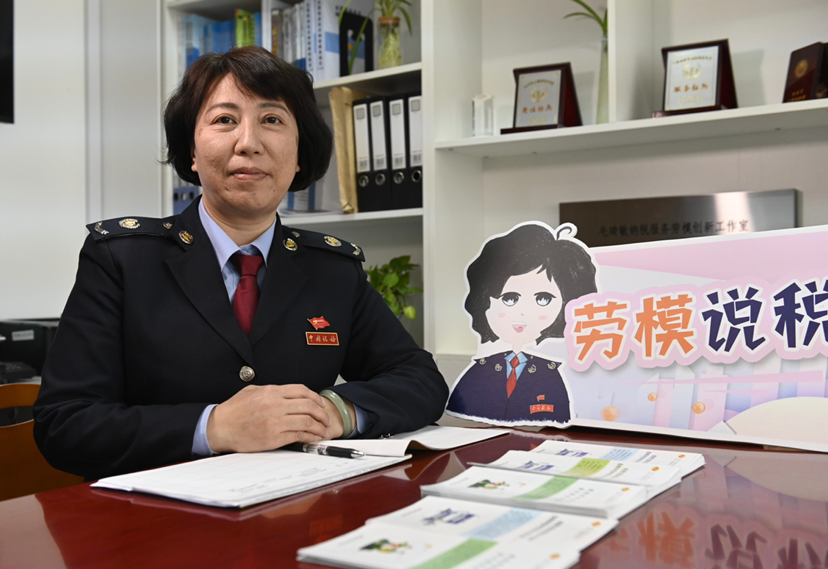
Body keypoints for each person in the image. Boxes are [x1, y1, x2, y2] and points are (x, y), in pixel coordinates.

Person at [33, 47, 448, 480]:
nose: (248, 142)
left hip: (296, 502)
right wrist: (212, 427)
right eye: (224, 120)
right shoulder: (122, 258)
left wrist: (335, 412)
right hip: (158, 510)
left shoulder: (332, 269)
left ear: (299, 154)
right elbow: (65, 423)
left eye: (272, 120)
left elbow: (419, 379)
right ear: (192, 152)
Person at [445, 223, 596, 424]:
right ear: (484, 300)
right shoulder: (479, 371)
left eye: (543, 299)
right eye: (509, 298)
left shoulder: (552, 374)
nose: (523, 312)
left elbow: (559, 418)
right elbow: (463, 410)